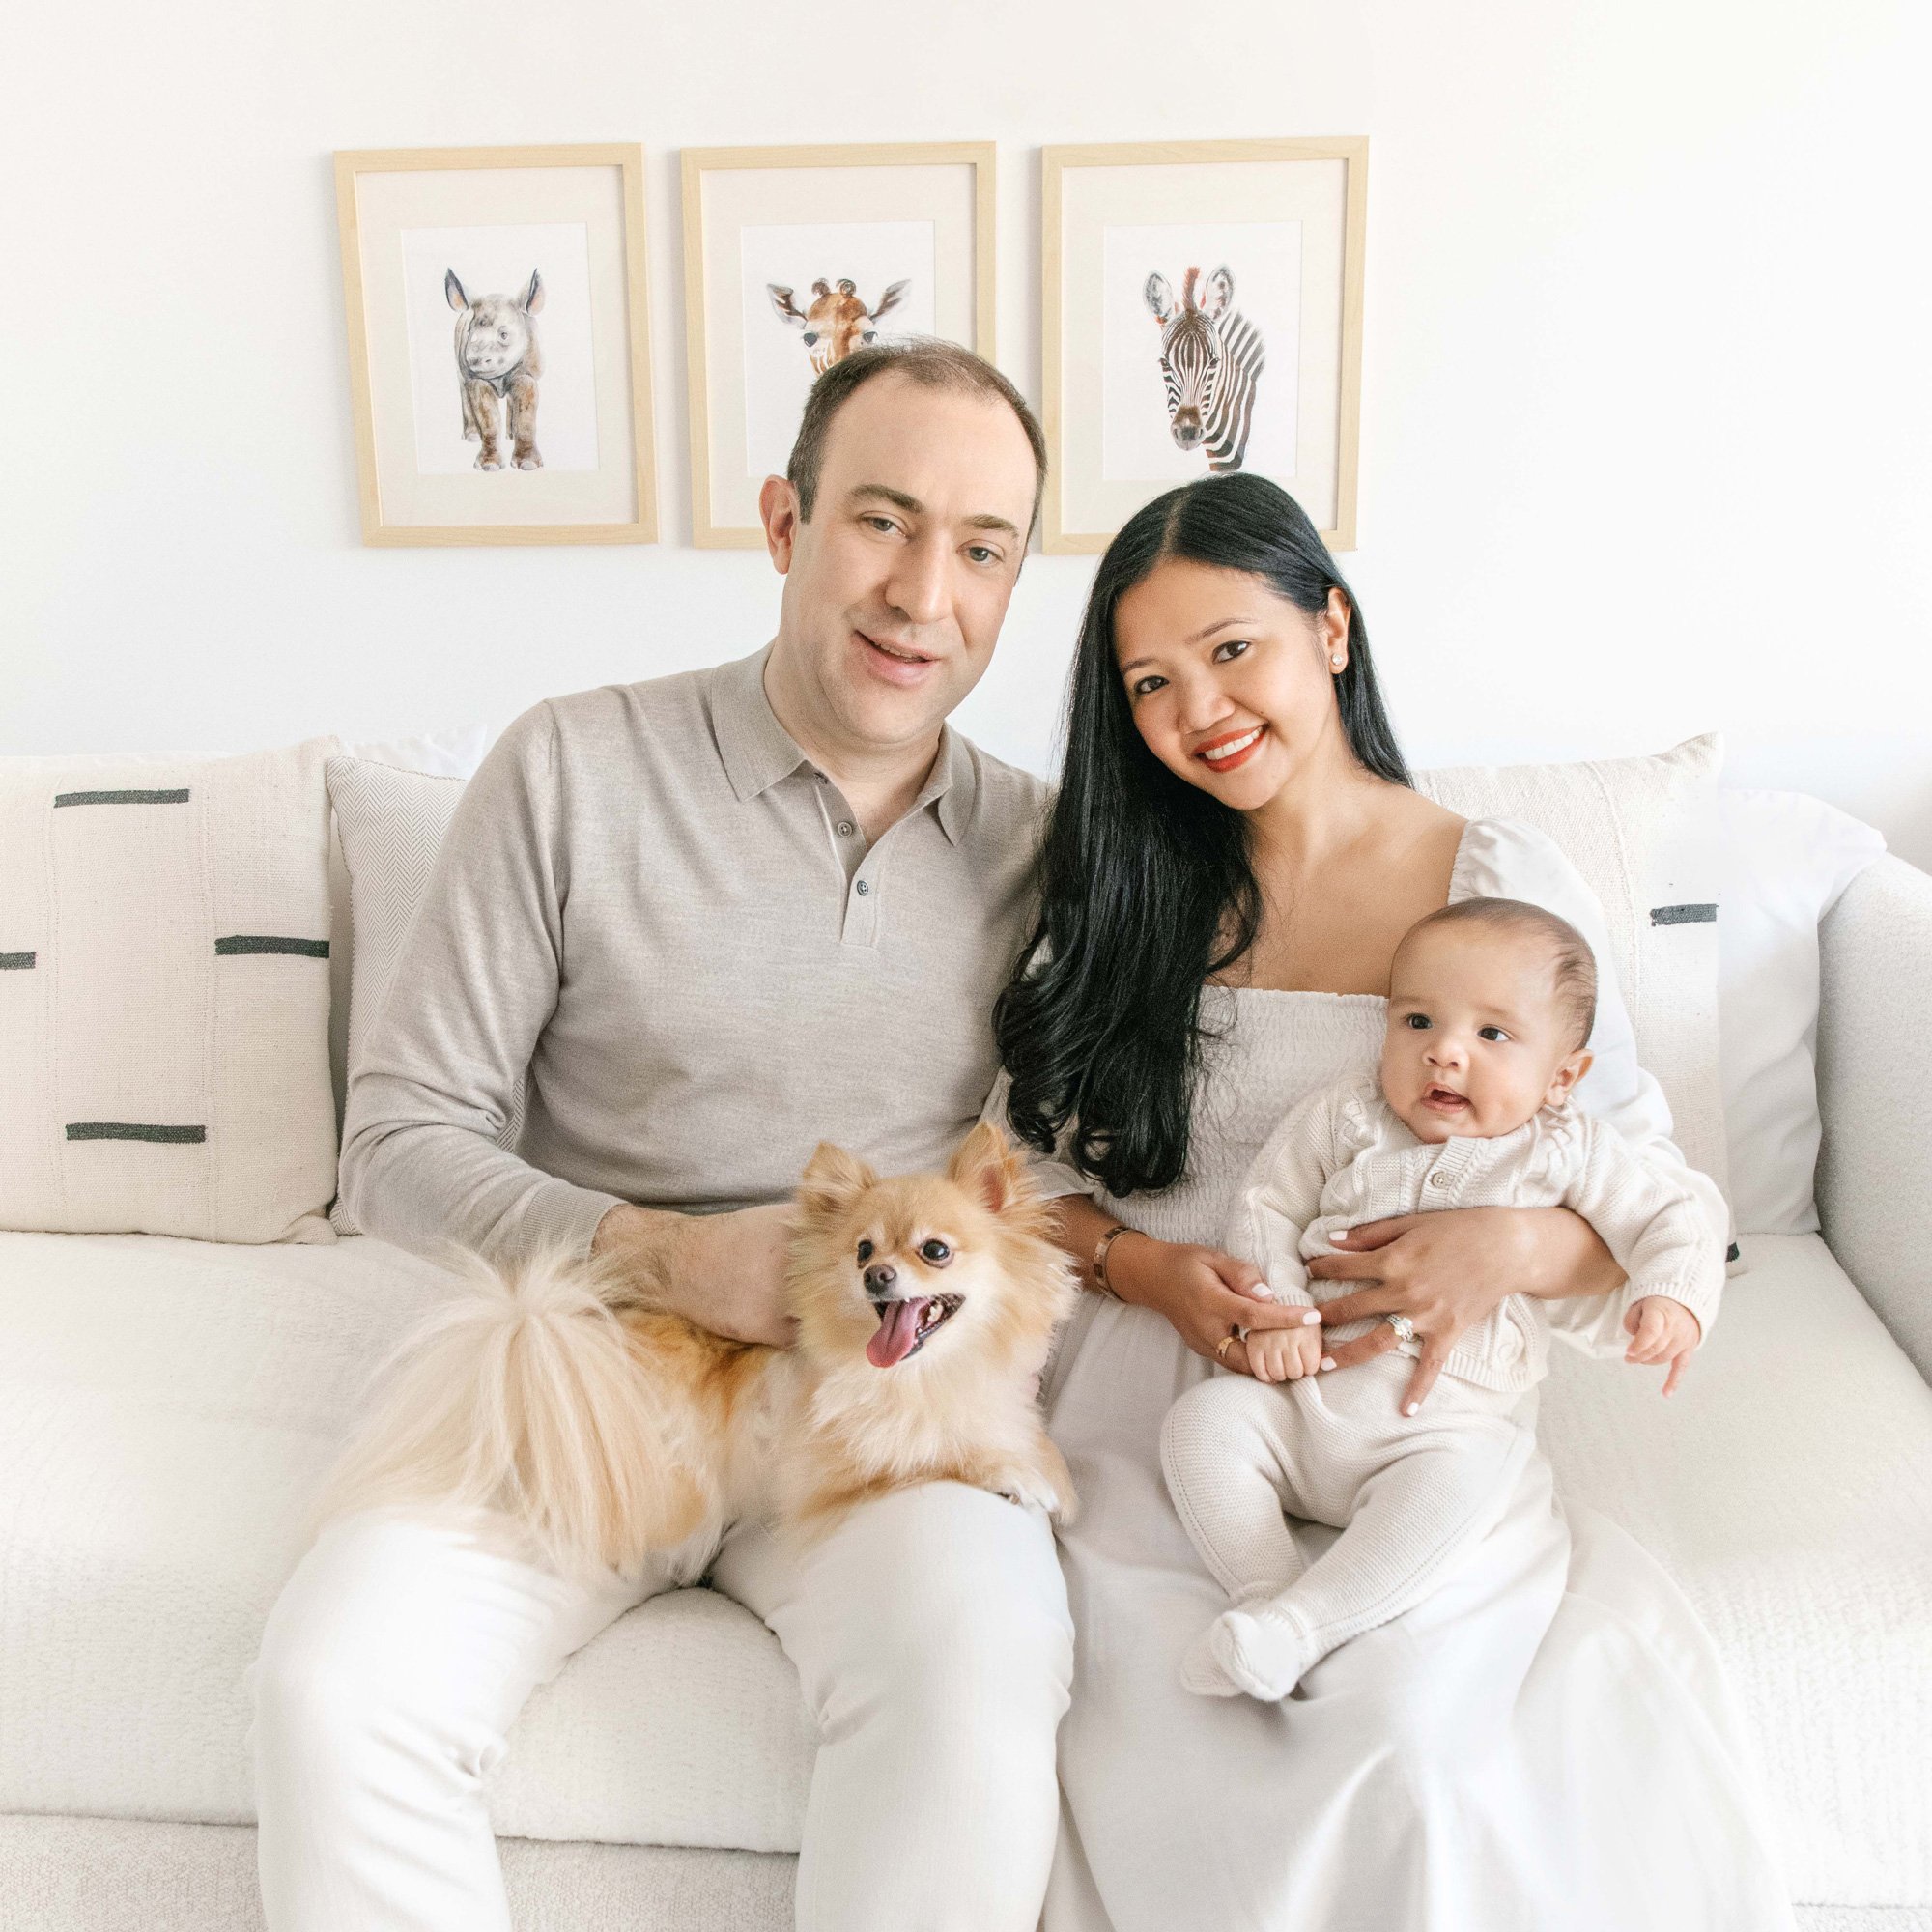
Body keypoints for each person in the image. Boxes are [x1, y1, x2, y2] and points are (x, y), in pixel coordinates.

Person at [246, 340, 1073, 1932]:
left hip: (875, 1404)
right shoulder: (571, 765)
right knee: (334, 1685)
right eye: (879, 522)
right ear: (783, 524)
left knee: (980, 1665)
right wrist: (667, 1254)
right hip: (586, 1364)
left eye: (981, 550)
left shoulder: (1046, 849)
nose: (923, 591)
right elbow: (400, 1138)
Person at [995, 470, 1796, 1931]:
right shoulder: (1124, 894)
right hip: (1167, 1403)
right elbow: (1010, 1186)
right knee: (1150, 1717)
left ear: (1335, 631)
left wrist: (1505, 1244)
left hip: (1415, 1411)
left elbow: (1640, 1179)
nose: (1201, 710)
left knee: (1409, 1745)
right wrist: (1146, 1269)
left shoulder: (1493, 886)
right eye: (1152, 682)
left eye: (1235, 649)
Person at [1160, 895, 1722, 1703]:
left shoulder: (1565, 1149)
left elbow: (1670, 1217)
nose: (1444, 1054)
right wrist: (1280, 1311)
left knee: (1471, 1484)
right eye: (1418, 1021)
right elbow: (1268, 1205)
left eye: (1492, 1034)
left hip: (1441, 1428)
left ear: (1563, 1076)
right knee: (1199, 1427)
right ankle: (1264, 1594)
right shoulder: (1348, 1114)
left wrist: (1673, 1298)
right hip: (1296, 1400)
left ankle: (1304, 1627)